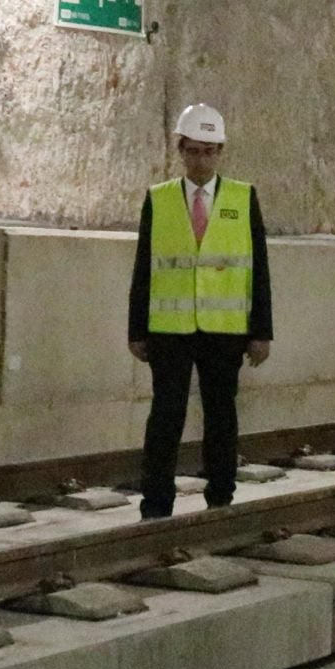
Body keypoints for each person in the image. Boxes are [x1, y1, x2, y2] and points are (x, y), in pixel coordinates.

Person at [127, 103, 272, 519]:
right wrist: (137, 329)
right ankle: (156, 504)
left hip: (225, 329)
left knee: (221, 416)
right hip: (169, 329)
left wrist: (261, 330)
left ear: (220, 152)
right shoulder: (160, 199)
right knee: (165, 417)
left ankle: (221, 498)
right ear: (180, 149)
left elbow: (259, 268)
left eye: (210, 152)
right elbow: (143, 267)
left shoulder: (244, 198)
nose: (201, 160)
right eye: (193, 151)